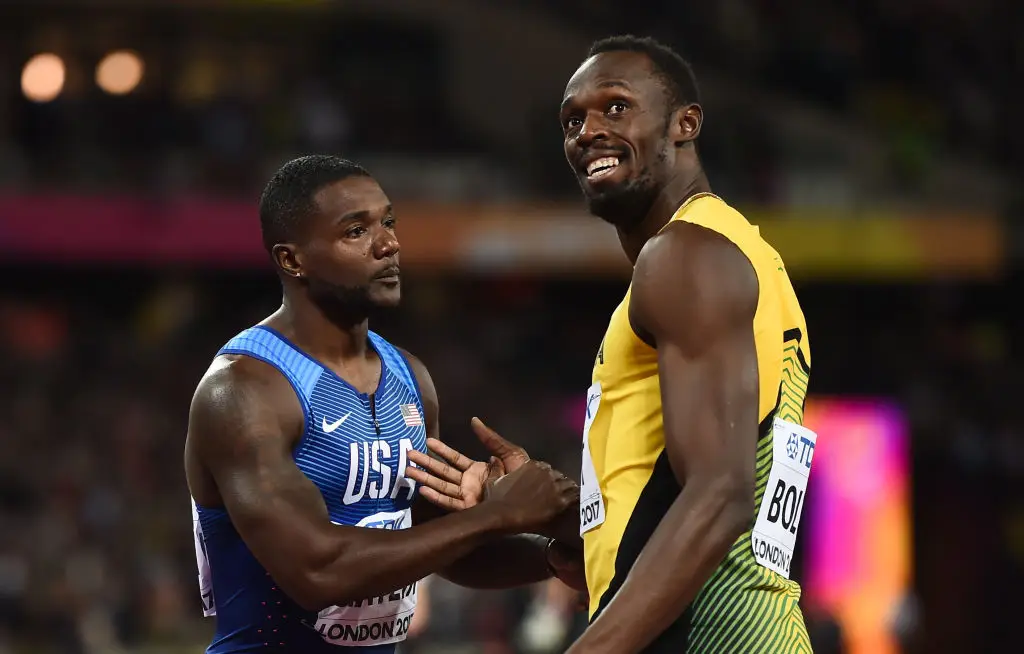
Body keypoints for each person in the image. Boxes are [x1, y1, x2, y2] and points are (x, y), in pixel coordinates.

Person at [407, 35, 816, 653]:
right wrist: (552, 509)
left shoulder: (684, 256)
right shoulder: (734, 252)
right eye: (572, 119)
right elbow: (689, 499)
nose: (587, 131)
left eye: (616, 108)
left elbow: (719, 496)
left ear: (686, 123)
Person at [183, 155, 580, 653]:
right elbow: (317, 571)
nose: (389, 244)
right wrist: (497, 516)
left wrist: (551, 556)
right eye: (355, 231)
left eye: (388, 223)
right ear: (292, 260)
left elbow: (441, 547)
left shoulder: (410, 379)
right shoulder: (244, 390)